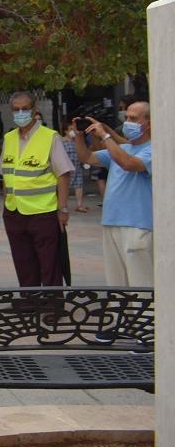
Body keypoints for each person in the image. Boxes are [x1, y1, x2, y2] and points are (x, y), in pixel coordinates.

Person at [74, 101, 153, 302]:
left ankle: (145, 328)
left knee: (141, 282)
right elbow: (87, 157)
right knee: (117, 282)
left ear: (149, 123)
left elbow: (128, 164)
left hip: (138, 225)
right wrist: (80, 136)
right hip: (111, 222)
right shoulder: (122, 148)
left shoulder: (153, 149)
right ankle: (120, 324)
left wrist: (106, 136)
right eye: (126, 118)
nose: (128, 122)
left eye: (134, 119)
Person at [0, 91, 74, 287]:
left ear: (34, 110)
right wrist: (6, 203)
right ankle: (29, 302)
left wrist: (63, 209)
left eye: (25, 108)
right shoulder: (9, 138)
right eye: (16, 110)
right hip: (14, 211)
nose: (21, 113)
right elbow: (6, 173)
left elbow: (63, 174)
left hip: (43, 212)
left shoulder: (50, 137)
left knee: (49, 263)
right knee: (23, 261)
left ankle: (52, 307)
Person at [62, 117, 89, 213]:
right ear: (65, 131)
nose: (73, 131)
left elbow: (84, 151)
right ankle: (63, 205)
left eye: (74, 129)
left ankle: (79, 205)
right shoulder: (61, 141)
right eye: (70, 130)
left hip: (77, 166)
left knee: (79, 185)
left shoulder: (78, 141)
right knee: (64, 186)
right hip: (66, 168)